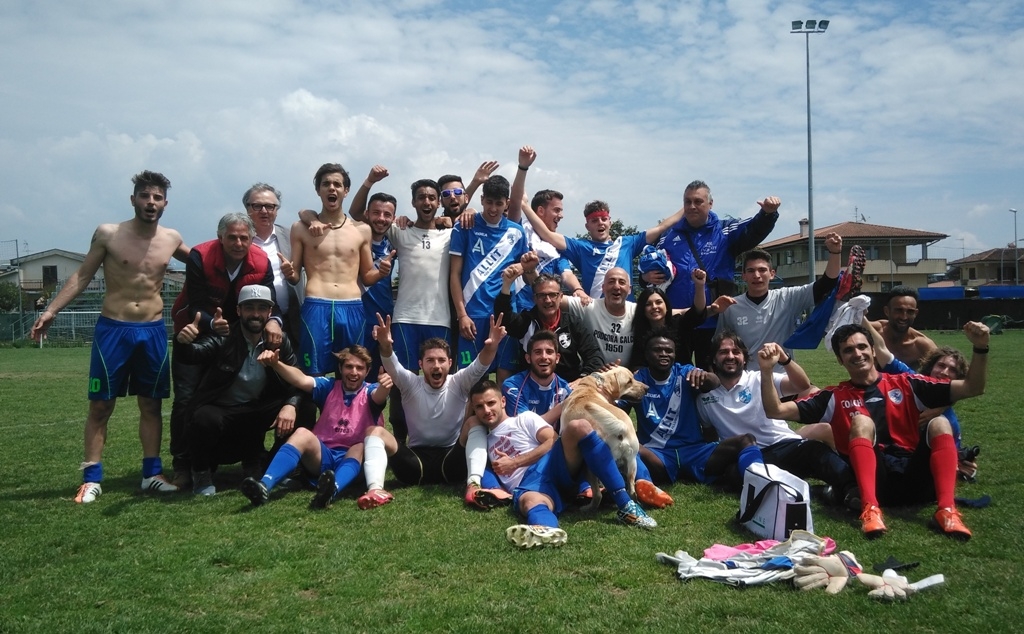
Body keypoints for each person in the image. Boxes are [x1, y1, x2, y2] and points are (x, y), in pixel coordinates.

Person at [30, 170, 189, 503]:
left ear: (165, 203)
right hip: (113, 329)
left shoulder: (172, 238)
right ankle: (92, 478)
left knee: (152, 404)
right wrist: (51, 311)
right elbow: (82, 276)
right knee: (101, 406)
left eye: (157, 197)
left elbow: (208, 264)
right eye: (145, 196)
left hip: (153, 330)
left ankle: (151, 474)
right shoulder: (108, 234)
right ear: (133, 200)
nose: (151, 202)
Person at [760, 322, 990, 540]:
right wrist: (767, 370)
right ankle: (870, 509)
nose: (857, 354)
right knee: (861, 421)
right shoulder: (833, 397)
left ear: (872, 349)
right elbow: (776, 410)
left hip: (916, 479)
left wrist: (980, 347)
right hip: (877, 483)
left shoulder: (908, 383)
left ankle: (947, 510)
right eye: (848, 350)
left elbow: (973, 387)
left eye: (862, 347)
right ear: (840, 360)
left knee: (940, 423)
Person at [462, 380, 657, 549]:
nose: (486, 410)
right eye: (479, 407)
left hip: (550, 465)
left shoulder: (524, 419)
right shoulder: (480, 444)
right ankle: (547, 530)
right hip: (530, 487)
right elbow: (465, 446)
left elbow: (552, 440)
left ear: (503, 401)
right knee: (530, 502)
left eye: (491, 403)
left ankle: (626, 505)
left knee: (578, 426)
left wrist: (515, 462)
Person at [168, 212, 281, 487]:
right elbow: (195, 302)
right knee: (186, 398)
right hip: (195, 331)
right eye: (232, 237)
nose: (239, 243)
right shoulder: (200, 255)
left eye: (244, 237)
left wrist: (274, 321)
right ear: (220, 237)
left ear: (252, 238)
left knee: (246, 395)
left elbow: (268, 299)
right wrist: (211, 323)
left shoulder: (261, 260)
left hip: (238, 336)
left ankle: (251, 457)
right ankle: (184, 464)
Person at [356, 312, 505, 510]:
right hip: (413, 464)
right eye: (430, 360)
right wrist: (385, 345)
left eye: (442, 360)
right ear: (421, 364)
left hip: (452, 462)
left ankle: (473, 485)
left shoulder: (459, 382)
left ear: (450, 363)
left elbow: (481, 364)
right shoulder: (410, 383)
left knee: (475, 423)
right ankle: (375, 490)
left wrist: (492, 345)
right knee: (373, 431)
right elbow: (392, 365)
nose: (436, 365)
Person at [697, 333, 859, 508]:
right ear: (714, 359)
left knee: (814, 450)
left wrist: (785, 359)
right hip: (750, 457)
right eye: (723, 352)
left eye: (736, 351)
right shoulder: (704, 397)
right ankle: (815, 492)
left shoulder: (759, 378)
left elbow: (802, 386)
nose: (730, 356)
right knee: (733, 475)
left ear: (744, 359)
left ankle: (852, 488)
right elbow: (709, 436)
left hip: (783, 446)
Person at [174, 285, 301, 496]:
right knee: (203, 417)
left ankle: (274, 466)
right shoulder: (223, 337)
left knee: (302, 406)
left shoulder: (279, 341)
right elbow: (193, 355)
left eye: (262, 308)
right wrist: (183, 343)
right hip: (223, 412)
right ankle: (201, 473)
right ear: (239, 311)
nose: (256, 314)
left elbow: (297, 379)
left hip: (256, 410)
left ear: (270, 313)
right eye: (249, 308)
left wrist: (290, 405)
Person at [242, 345, 392, 509]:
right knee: (301, 434)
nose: (354, 372)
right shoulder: (328, 386)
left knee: (359, 446)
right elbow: (300, 379)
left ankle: (331, 491)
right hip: (323, 456)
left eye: (360, 368)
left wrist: (384, 386)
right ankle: (264, 485)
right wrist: (276, 364)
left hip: (355, 460)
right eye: (349, 366)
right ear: (340, 368)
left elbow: (379, 396)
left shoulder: (370, 390)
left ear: (367, 371)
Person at [649, 180, 780, 366]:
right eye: (687, 202)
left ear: (710, 204)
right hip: (677, 321)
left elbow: (752, 230)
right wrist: (646, 278)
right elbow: (651, 269)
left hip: (714, 322)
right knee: (674, 376)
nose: (692, 206)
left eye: (698, 201)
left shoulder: (725, 230)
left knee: (712, 380)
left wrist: (767, 214)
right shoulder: (667, 236)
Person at [282, 162, 393, 377]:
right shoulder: (301, 228)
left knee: (352, 370)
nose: (332, 188)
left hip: (351, 305)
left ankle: (347, 411)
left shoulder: (362, 230)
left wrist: (381, 272)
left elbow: (367, 277)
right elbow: (296, 277)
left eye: (337, 184)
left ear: (346, 190)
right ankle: (314, 410)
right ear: (318, 190)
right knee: (312, 372)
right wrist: (290, 272)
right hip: (316, 304)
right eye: (326, 184)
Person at [519, 158, 686, 300]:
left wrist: (688, 206)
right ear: (587, 226)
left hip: (627, 312)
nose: (600, 223)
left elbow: (662, 226)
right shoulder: (580, 247)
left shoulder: (628, 243)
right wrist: (525, 206)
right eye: (594, 220)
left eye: (604, 219)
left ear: (610, 222)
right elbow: (547, 234)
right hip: (596, 314)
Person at [625, 330, 764, 488]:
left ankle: (759, 480)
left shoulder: (684, 372)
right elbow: (615, 410)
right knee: (628, 447)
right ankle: (644, 484)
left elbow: (714, 382)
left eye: (669, 351)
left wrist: (705, 377)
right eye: (657, 350)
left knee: (745, 440)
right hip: (657, 455)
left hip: (695, 452)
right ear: (646, 354)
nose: (664, 354)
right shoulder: (637, 380)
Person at [715, 236, 843, 370]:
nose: (757, 275)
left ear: (772, 274)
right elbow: (720, 344)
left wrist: (835, 253)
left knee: (813, 390)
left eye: (762, 270)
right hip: (747, 379)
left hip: (783, 377)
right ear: (743, 276)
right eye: (751, 271)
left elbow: (825, 285)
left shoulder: (788, 297)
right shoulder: (731, 306)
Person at [449, 174, 528, 378]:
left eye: (499, 203)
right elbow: (454, 274)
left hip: (505, 315)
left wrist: (524, 267)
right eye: (489, 202)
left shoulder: (517, 232)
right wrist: (462, 315)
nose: (493, 209)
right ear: (482, 199)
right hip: (473, 315)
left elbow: (526, 271)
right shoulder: (465, 226)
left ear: (507, 203)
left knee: (506, 379)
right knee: (471, 381)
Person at [506, 145, 587, 308]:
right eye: (556, 210)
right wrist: (523, 167)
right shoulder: (521, 230)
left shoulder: (557, 246)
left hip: (545, 310)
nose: (561, 216)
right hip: (519, 308)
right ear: (541, 211)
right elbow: (516, 203)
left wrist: (578, 289)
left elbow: (566, 273)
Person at [496, 268, 603, 382]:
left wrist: (581, 380)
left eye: (552, 295)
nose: (547, 300)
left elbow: (594, 356)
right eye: (542, 295)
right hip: (532, 388)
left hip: (568, 388)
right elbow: (504, 318)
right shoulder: (526, 321)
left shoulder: (573, 323)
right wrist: (507, 285)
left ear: (561, 297)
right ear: (535, 299)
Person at [628, 270, 731, 369]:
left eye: (659, 302)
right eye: (648, 304)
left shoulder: (679, 324)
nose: (654, 307)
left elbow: (697, 311)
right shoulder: (639, 332)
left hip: (682, 378)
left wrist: (699, 285)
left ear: (667, 306)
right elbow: (637, 363)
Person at [244, 182, 300, 344]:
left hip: (291, 319)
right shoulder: (240, 240)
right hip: (252, 321)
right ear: (247, 209)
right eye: (257, 206)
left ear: (277, 210)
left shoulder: (291, 237)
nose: (264, 211)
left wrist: (292, 274)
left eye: (270, 206)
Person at [564, 267, 637, 366]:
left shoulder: (638, 312)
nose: (616, 286)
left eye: (622, 282)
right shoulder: (589, 307)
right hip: (594, 376)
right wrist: (534, 271)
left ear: (629, 289)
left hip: (628, 376)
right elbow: (552, 297)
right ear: (603, 288)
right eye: (611, 282)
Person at [501, 330, 572, 428]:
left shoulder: (566, 390)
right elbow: (526, 427)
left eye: (549, 352)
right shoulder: (512, 386)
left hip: (555, 441)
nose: (544, 357)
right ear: (528, 358)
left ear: (557, 358)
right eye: (538, 352)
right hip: (522, 441)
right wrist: (563, 405)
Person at [870, 285, 937, 370]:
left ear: (916, 313)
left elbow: (943, 369)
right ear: (887, 311)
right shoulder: (873, 331)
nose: (904, 317)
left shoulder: (922, 345)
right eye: (899, 310)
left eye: (910, 312)